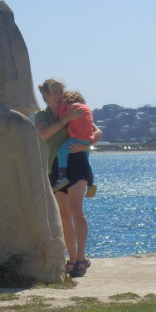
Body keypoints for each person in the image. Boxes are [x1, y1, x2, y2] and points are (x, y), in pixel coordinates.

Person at [35, 78, 102, 277]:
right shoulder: (42, 115)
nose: (58, 95)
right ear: (45, 95)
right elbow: (44, 134)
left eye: (60, 91)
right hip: (55, 167)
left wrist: (87, 145)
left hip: (78, 163)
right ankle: (72, 259)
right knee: (64, 215)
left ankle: (81, 258)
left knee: (76, 209)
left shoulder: (72, 108)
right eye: (53, 92)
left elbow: (97, 131)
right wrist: (65, 119)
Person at [52, 90, 94, 192]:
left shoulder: (71, 108)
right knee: (87, 160)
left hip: (76, 139)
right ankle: (91, 183)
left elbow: (63, 117)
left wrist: (62, 106)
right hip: (87, 140)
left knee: (61, 152)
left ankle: (62, 177)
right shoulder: (87, 108)